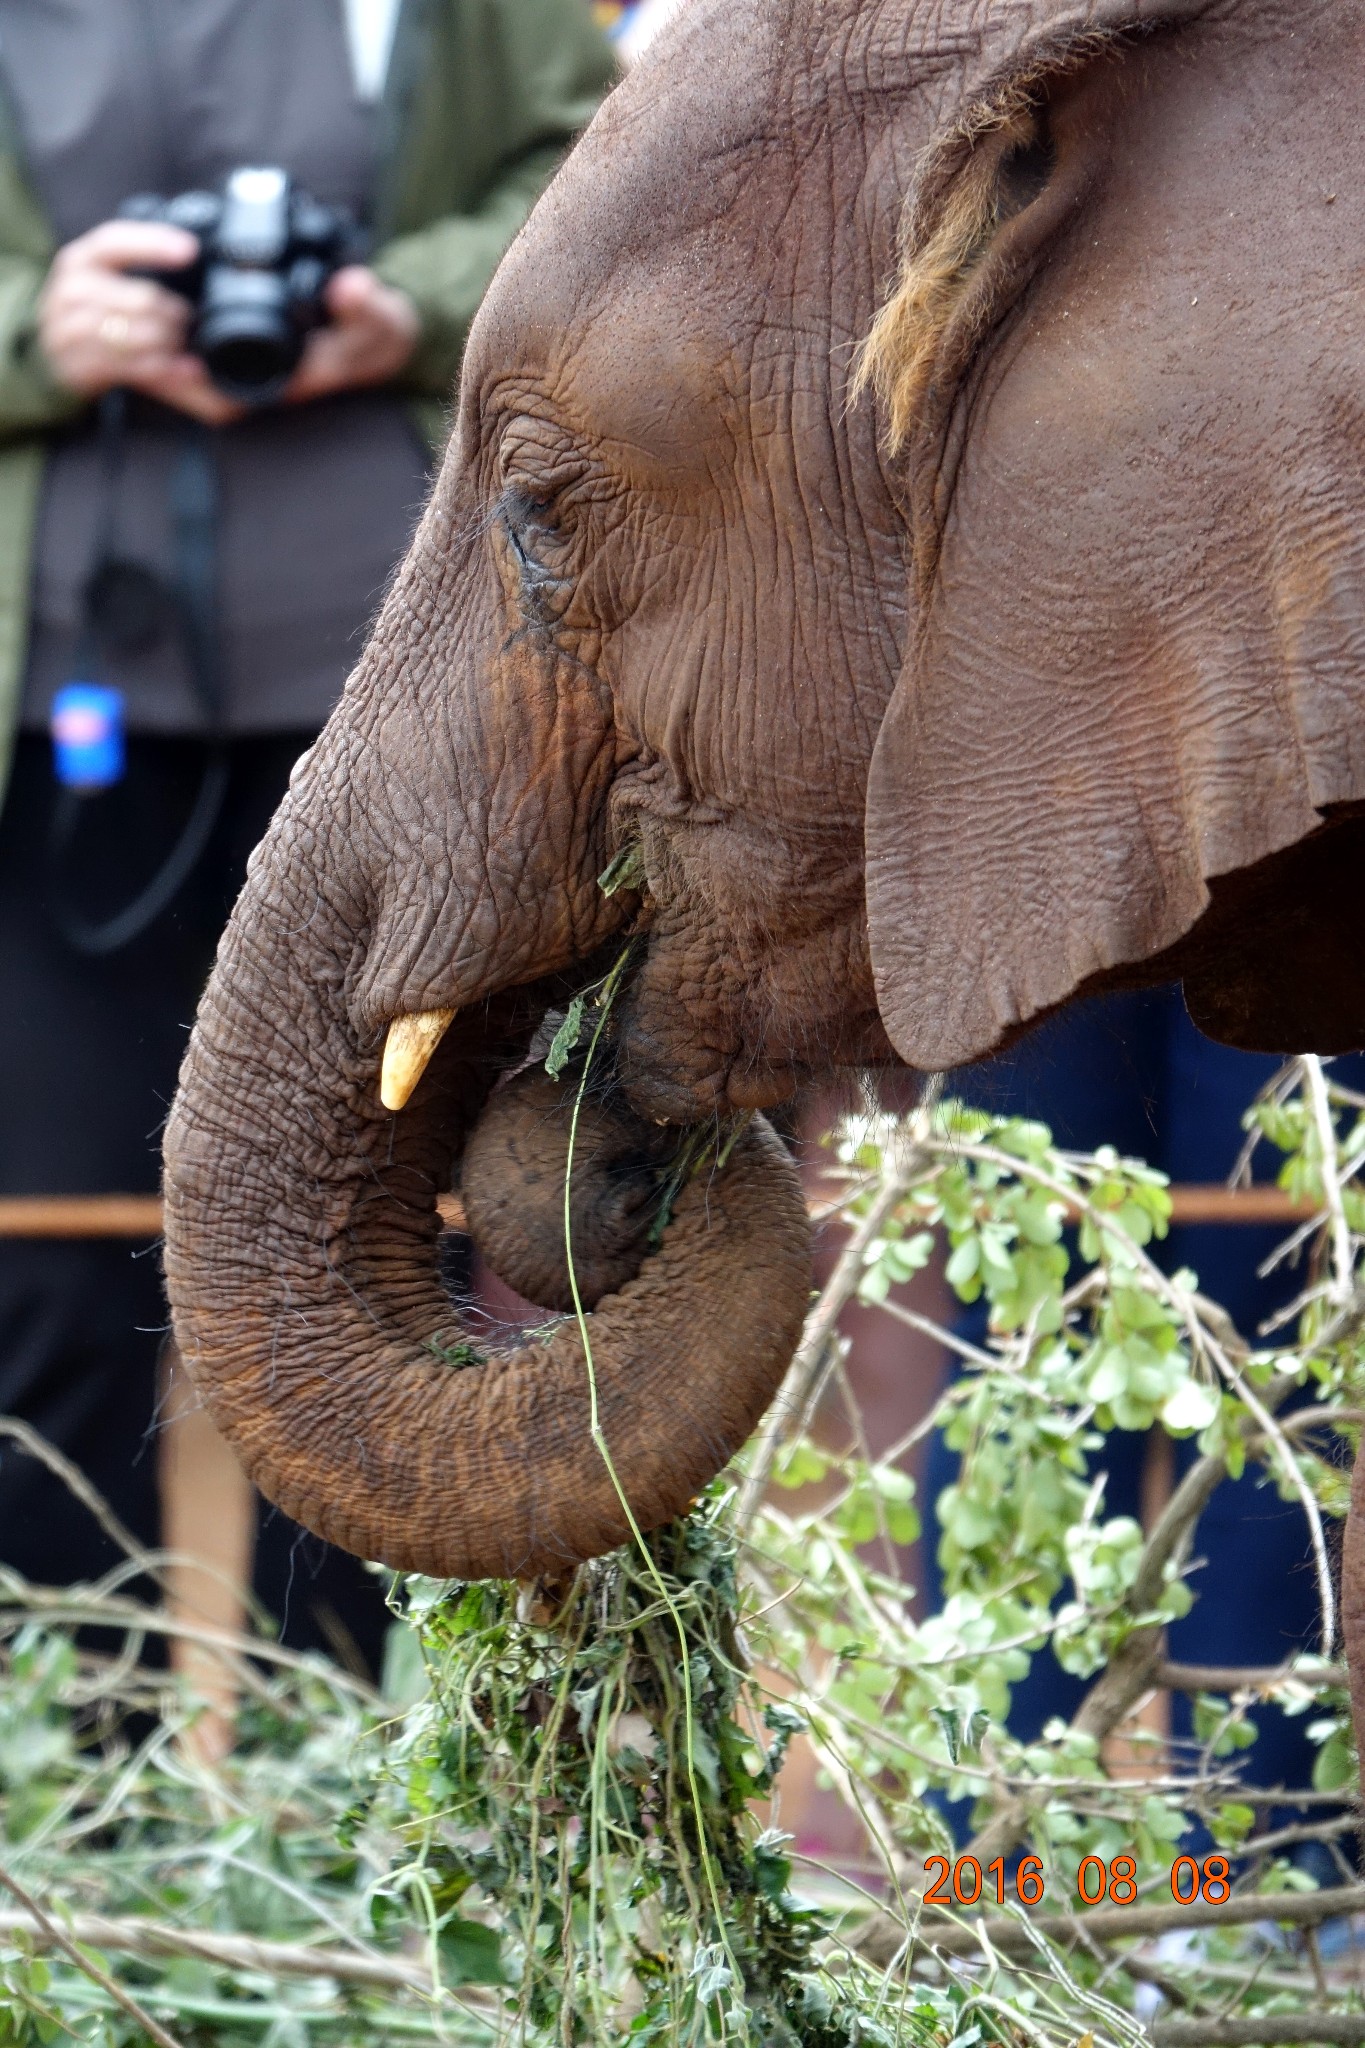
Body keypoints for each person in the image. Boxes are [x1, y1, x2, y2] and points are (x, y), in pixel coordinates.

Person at [0, 0, 615, 1678]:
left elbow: (603, 171)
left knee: (366, 1258)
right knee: (48, 1279)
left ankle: (332, 1772)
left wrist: (400, 307)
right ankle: (81, 1830)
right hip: (61, 751)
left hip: (402, 740)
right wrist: (39, 334)